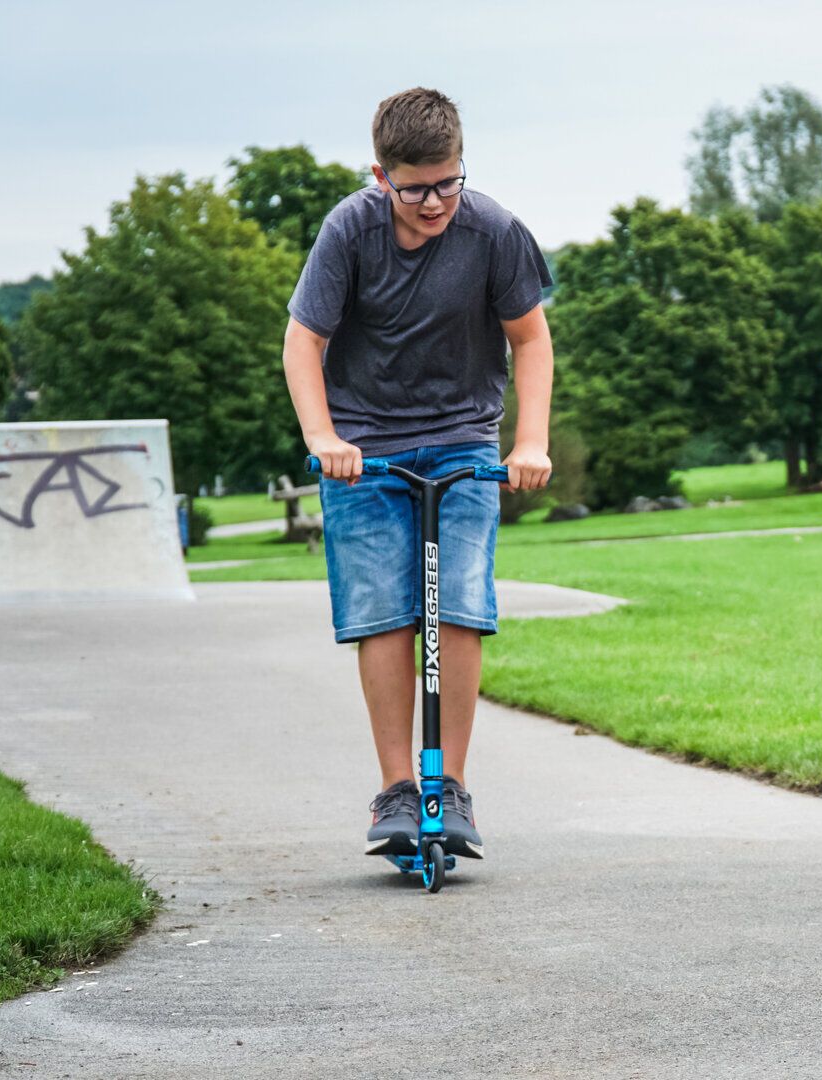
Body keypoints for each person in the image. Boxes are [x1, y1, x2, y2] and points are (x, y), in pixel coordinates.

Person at [283, 87, 554, 861]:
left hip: (464, 438)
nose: (435, 201)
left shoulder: (493, 231)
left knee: (462, 604)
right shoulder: (349, 232)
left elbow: (531, 342)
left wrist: (527, 442)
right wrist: (324, 436)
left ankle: (452, 787)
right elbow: (303, 343)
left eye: (449, 181)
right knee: (383, 613)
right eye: (416, 187)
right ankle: (399, 787)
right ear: (380, 176)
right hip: (365, 447)